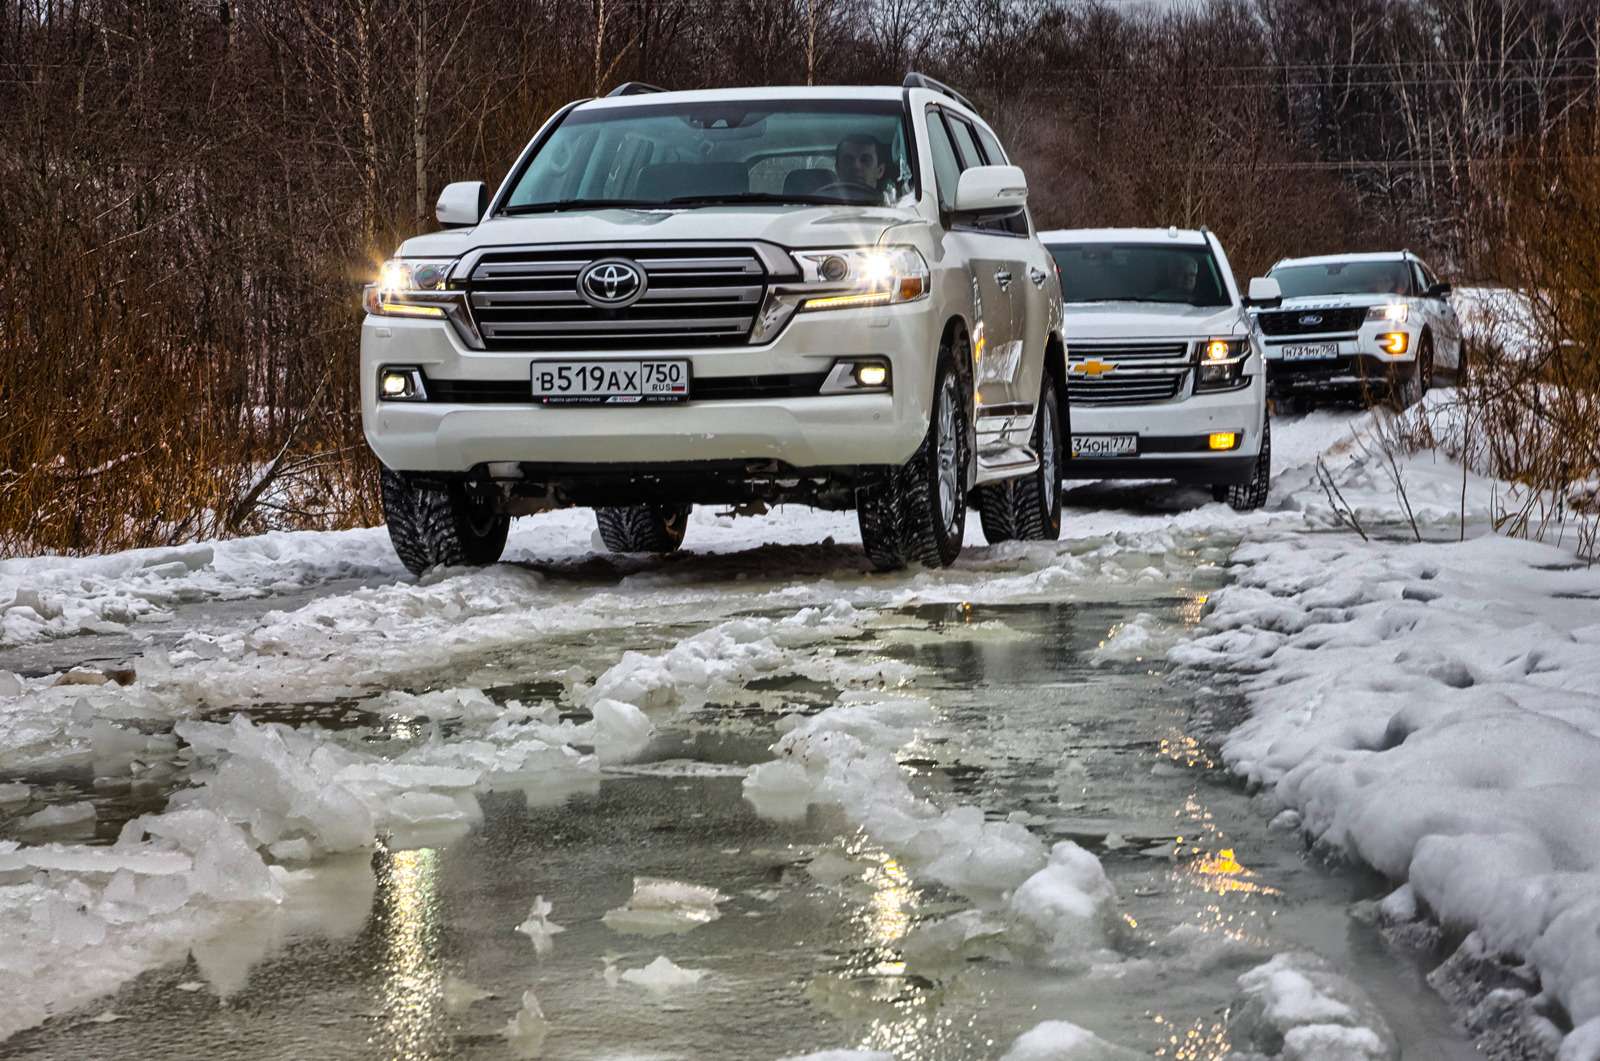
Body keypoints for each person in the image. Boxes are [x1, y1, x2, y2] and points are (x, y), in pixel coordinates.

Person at [832, 134, 889, 201]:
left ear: (880, 171)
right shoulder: (822, 207)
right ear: (837, 170)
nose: (856, 166)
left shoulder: (891, 208)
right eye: (848, 161)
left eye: (865, 160)